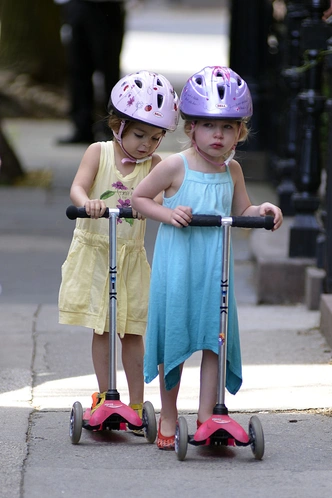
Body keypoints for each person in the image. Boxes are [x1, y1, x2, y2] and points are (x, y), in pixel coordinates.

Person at [132, 66, 283, 449]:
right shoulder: (174, 166)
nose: (219, 135)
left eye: (229, 127)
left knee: (215, 339)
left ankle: (206, 415)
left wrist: (262, 210)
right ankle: (168, 413)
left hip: (215, 269)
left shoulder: (232, 170)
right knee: (176, 338)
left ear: (240, 132)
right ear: (191, 129)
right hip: (179, 267)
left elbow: (242, 209)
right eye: (209, 126)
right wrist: (169, 213)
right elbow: (139, 199)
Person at [58, 70, 179, 432]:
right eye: (140, 134)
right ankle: (103, 395)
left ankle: (137, 400)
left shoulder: (154, 166)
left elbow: (157, 196)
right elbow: (77, 188)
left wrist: (156, 201)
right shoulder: (99, 152)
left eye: (156, 138)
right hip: (96, 253)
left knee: (133, 331)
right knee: (102, 328)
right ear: (118, 125)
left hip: (129, 256)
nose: (147, 145)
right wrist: (89, 203)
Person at [53, 0, 126, 144]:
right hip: (77, 5)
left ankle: (112, 128)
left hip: (106, 7)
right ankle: (82, 128)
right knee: (77, 70)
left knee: (108, 71)